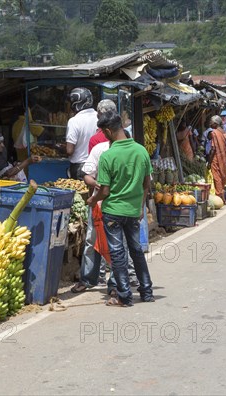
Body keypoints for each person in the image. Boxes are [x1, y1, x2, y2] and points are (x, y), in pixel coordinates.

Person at [87, 111, 154, 307]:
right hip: (133, 211)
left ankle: (124, 296)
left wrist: (93, 199)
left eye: (104, 133)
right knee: (136, 251)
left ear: (108, 131)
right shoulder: (141, 151)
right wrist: (141, 207)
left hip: (113, 212)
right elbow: (146, 184)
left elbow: (105, 190)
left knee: (117, 254)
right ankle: (147, 291)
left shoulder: (108, 156)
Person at [66, 87, 98, 180]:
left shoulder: (74, 121)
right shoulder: (99, 117)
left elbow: (69, 150)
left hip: (79, 167)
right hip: (96, 165)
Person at [208, 115, 226, 203]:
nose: (210, 124)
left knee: (217, 178)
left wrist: (209, 161)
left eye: (211, 123)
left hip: (216, 158)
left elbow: (213, 148)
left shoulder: (214, 132)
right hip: (223, 157)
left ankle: (220, 197)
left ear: (215, 123)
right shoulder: (223, 132)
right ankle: (222, 195)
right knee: (222, 175)